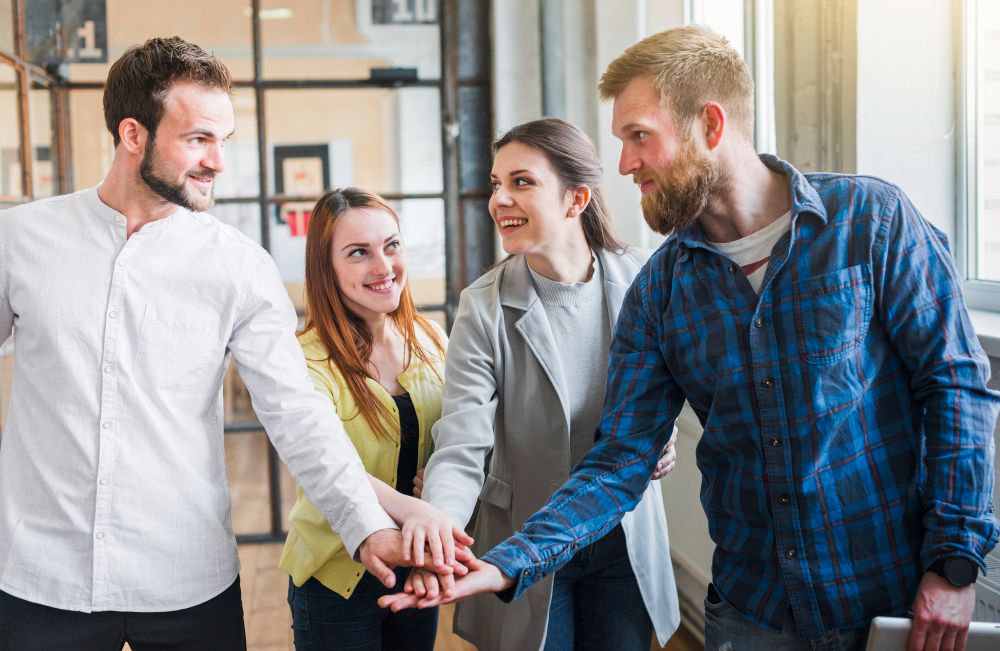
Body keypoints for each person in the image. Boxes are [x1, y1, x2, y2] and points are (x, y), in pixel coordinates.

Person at [381, 25, 1000, 651]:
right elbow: (621, 460)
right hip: (753, 611)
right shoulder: (659, 290)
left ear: (710, 123)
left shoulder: (871, 221)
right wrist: (508, 562)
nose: (625, 164)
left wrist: (954, 562)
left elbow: (955, 387)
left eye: (639, 136)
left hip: (890, 597)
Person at [0, 38, 467, 651]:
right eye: (199, 139)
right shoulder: (20, 239)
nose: (218, 161)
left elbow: (297, 416)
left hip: (186, 580)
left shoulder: (240, 267)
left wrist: (363, 527)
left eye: (224, 140)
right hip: (38, 577)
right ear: (132, 133)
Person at [396, 118, 681, 651]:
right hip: (523, 537)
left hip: (623, 536)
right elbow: (461, 445)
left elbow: (672, 385)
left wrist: (660, 437)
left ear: (577, 199)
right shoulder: (483, 306)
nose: (499, 199)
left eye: (521, 182)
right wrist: (439, 532)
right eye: (496, 183)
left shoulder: (644, 277)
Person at [280, 188, 453, 651]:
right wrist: (413, 508)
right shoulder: (303, 358)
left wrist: (440, 485)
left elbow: (463, 434)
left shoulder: (432, 340)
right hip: (336, 577)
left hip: (418, 564)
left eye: (391, 245)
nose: (383, 266)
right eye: (359, 252)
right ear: (326, 268)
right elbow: (326, 462)